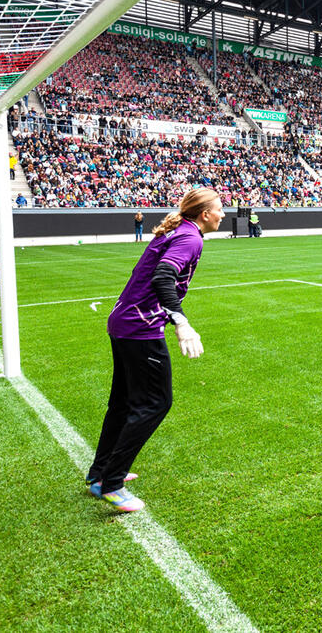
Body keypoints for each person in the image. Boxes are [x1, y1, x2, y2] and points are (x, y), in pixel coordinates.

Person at [87, 188, 225, 512]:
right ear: (204, 214)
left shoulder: (181, 231)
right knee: (155, 403)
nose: (223, 213)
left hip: (123, 321)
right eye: (220, 208)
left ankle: (101, 474)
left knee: (123, 404)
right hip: (140, 328)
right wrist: (182, 323)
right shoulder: (191, 238)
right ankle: (112, 482)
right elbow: (164, 276)